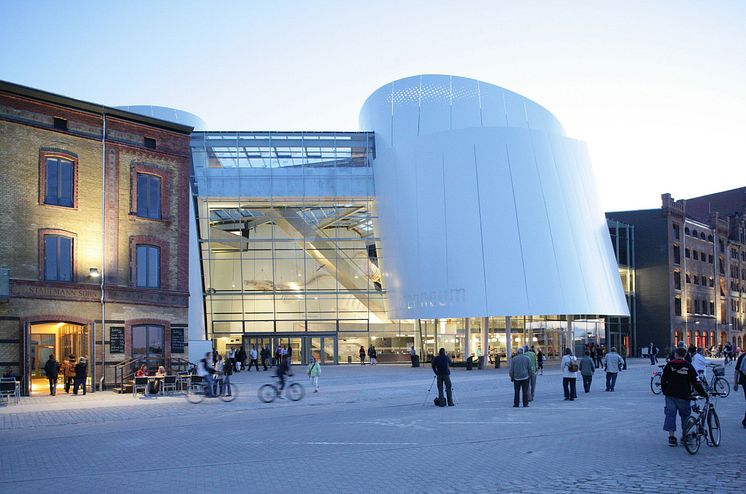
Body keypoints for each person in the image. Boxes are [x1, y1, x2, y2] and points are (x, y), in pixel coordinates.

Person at [661, 347, 706, 446]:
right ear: (685, 355)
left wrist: (665, 391)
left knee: (670, 415)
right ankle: (685, 436)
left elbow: (663, 379)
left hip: (670, 395)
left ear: (676, 354)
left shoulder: (669, 365)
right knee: (685, 416)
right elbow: (696, 381)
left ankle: (671, 437)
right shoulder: (688, 365)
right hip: (684, 395)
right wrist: (703, 393)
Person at [733, 350, 746, 428]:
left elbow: (736, 371)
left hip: (744, 380)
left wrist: (735, 383)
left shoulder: (742, 356)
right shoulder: (742, 356)